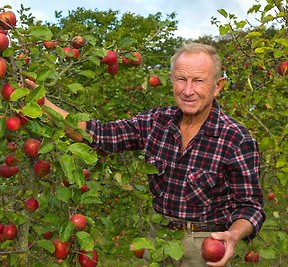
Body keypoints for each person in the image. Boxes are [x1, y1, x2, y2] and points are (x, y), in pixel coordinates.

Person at [29, 42, 265, 266]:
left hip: (204, 244)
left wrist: (233, 235)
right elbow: (98, 136)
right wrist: (42, 102)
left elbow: (250, 207)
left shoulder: (236, 139)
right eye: (181, 79)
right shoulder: (156, 122)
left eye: (199, 81)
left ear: (218, 86)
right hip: (158, 238)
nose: (188, 90)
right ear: (171, 80)